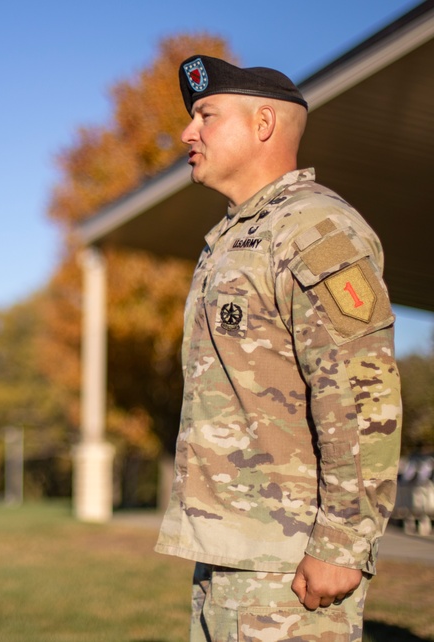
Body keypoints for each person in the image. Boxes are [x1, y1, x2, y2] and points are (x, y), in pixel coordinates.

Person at [155, 55, 402, 641]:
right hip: (236, 550)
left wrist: (343, 543)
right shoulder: (239, 235)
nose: (189, 132)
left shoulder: (314, 230)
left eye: (206, 115)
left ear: (263, 123)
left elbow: (362, 393)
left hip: (288, 566)